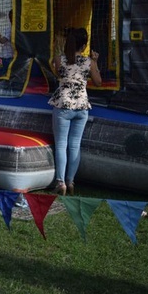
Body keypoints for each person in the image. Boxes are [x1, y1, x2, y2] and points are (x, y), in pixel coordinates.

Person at [48, 27, 102, 196]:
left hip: (63, 105)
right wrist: (95, 61)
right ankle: (71, 181)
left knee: (61, 145)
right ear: (84, 44)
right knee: (75, 146)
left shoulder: (59, 59)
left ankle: (60, 182)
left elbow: (57, 74)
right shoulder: (89, 62)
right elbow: (98, 82)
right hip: (82, 106)